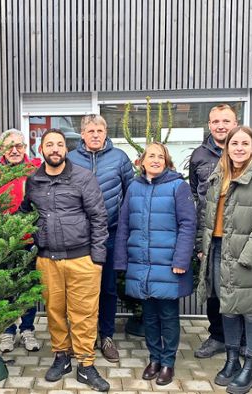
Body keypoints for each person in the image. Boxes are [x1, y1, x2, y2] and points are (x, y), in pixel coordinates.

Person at [20, 129, 111, 392]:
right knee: (55, 312)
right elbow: (24, 212)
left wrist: (97, 259)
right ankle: (62, 357)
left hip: (82, 259)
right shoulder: (33, 181)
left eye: (60, 144)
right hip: (47, 260)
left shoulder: (83, 178)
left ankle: (85, 364)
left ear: (66, 149)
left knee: (83, 314)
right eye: (50, 145)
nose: (55, 149)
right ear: (42, 150)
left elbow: (99, 218)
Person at [195, 126, 252, 394]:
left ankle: (249, 368)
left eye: (245, 143)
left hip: (248, 255)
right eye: (235, 143)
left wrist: (248, 255)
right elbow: (208, 216)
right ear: (227, 147)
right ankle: (232, 360)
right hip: (219, 249)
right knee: (227, 308)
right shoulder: (219, 174)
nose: (239, 148)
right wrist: (204, 246)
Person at [113, 142, 196, 386]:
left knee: (168, 316)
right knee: (148, 315)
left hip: (169, 264)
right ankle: (154, 358)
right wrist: (121, 260)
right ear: (142, 161)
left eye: (161, 156)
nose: (156, 160)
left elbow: (188, 225)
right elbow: (124, 224)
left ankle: (168, 362)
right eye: (151, 156)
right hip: (141, 264)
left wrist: (181, 259)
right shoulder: (134, 187)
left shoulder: (178, 186)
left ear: (167, 161)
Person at [67, 114, 133, 362]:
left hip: (110, 234)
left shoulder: (120, 159)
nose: (95, 134)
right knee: (79, 291)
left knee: (107, 288)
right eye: (90, 130)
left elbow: (130, 195)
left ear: (106, 133)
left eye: (100, 130)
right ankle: (81, 338)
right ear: (82, 134)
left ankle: (105, 336)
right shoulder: (71, 159)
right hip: (78, 237)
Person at [189, 104, 239, 359]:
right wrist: (199, 242)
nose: (221, 125)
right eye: (216, 121)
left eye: (226, 121)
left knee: (241, 289)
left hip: (240, 237)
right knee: (213, 290)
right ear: (209, 125)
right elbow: (197, 200)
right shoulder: (199, 155)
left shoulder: (247, 150)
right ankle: (218, 336)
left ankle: (242, 343)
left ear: (235, 122)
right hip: (211, 238)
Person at [0, 129, 42, 353]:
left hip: (28, 239)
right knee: (5, 288)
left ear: (25, 147)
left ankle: (28, 329)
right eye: (9, 146)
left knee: (27, 287)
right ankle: (7, 331)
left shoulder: (35, 170)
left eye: (19, 146)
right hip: (2, 241)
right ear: (2, 149)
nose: (14, 150)